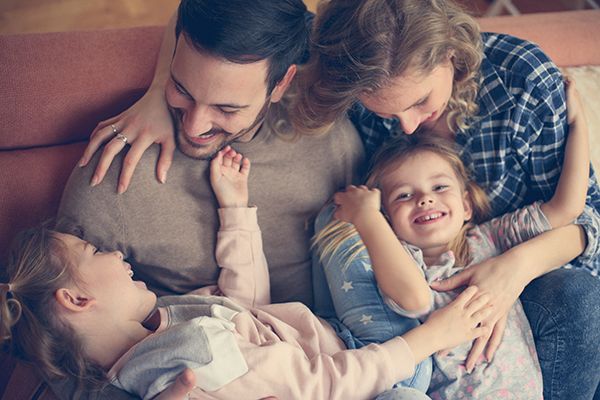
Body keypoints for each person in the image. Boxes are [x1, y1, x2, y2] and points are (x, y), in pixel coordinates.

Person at [1, 147, 493, 400]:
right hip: (371, 371)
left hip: (344, 346)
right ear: (77, 300)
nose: (114, 254)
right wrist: (429, 338)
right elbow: (322, 385)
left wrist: (235, 208)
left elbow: (247, 308)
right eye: (94, 251)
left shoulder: (163, 328)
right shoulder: (191, 366)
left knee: (332, 223)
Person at [292, 1, 600, 398]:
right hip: (437, 366)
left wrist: (512, 269)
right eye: (388, 112)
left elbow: (581, 217)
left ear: (451, 53)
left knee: (580, 298)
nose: (406, 126)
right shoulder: (362, 100)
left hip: (528, 300)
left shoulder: (520, 82)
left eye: (419, 101)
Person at [57, 0, 363, 398]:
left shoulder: (331, 141)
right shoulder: (117, 175)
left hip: (342, 367)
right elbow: (55, 340)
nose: (195, 124)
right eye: (182, 89)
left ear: (282, 83)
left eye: (226, 108)